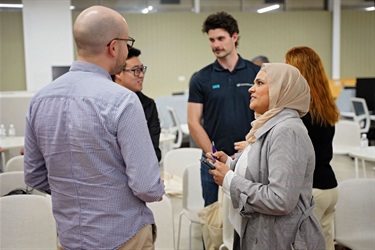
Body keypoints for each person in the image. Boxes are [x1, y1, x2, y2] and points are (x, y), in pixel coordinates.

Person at [24, 6, 165, 250]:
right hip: (123, 236)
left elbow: (34, 174)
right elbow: (147, 187)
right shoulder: (123, 100)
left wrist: (73, 189)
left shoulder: (40, 100)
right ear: (113, 46)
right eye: (126, 43)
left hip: (69, 237)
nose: (126, 49)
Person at [207, 63, 325, 249]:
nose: (251, 89)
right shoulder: (269, 126)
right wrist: (229, 164)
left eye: (260, 83)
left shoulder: (287, 131)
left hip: (282, 239)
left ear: (281, 90)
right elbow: (260, 172)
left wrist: (230, 180)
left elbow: (280, 199)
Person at [188, 11, 260, 207]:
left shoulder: (256, 73)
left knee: (250, 213)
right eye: (211, 40)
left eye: (220, 38)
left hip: (250, 158)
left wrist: (253, 148)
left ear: (234, 37)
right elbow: (193, 121)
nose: (215, 45)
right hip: (214, 161)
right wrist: (211, 152)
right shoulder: (201, 78)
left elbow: (266, 115)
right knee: (213, 217)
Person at [285, 46, 340, 250]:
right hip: (330, 187)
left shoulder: (301, 111)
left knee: (303, 244)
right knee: (324, 242)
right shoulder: (325, 105)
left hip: (312, 190)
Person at [112, 47, 162, 162]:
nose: (141, 75)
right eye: (135, 70)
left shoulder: (148, 105)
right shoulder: (104, 105)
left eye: (141, 69)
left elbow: (153, 150)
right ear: (118, 72)